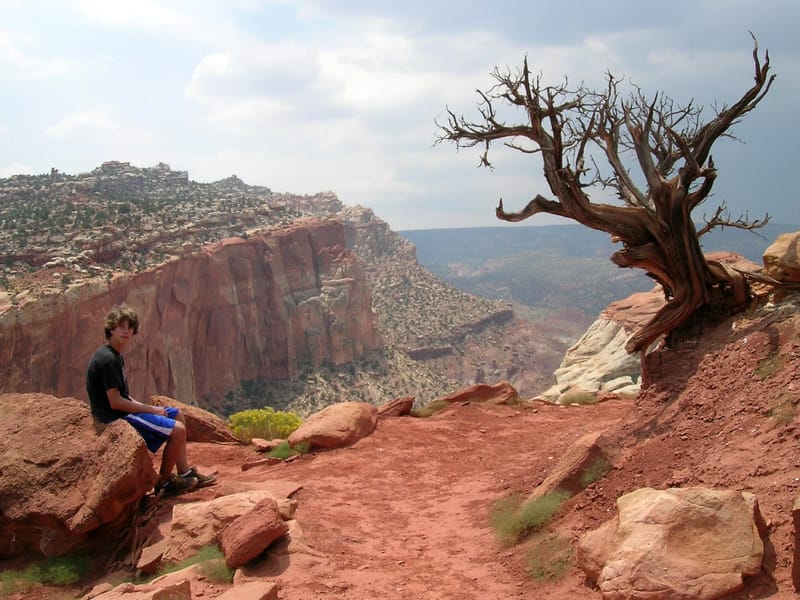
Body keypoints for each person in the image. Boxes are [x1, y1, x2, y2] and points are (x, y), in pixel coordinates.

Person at [86, 303, 216, 497]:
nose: (126, 331)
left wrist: (145, 407)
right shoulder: (107, 360)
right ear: (111, 328)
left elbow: (124, 396)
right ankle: (164, 483)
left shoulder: (115, 356)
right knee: (178, 431)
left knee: (177, 414)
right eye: (121, 326)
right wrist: (151, 410)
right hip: (113, 419)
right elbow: (115, 402)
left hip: (121, 412)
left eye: (130, 327)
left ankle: (184, 472)